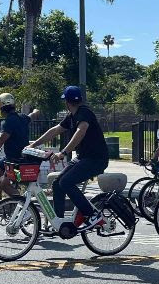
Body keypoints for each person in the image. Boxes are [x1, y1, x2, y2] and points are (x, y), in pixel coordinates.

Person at [29, 86, 108, 232]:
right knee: (58, 183)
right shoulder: (72, 116)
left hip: (96, 159)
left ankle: (91, 215)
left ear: (67, 101)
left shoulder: (84, 113)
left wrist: (64, 152)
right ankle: (58, 223)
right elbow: (54, 130)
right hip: (83, 158)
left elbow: (81, 131)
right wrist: (34, 144)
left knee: (66, 182)